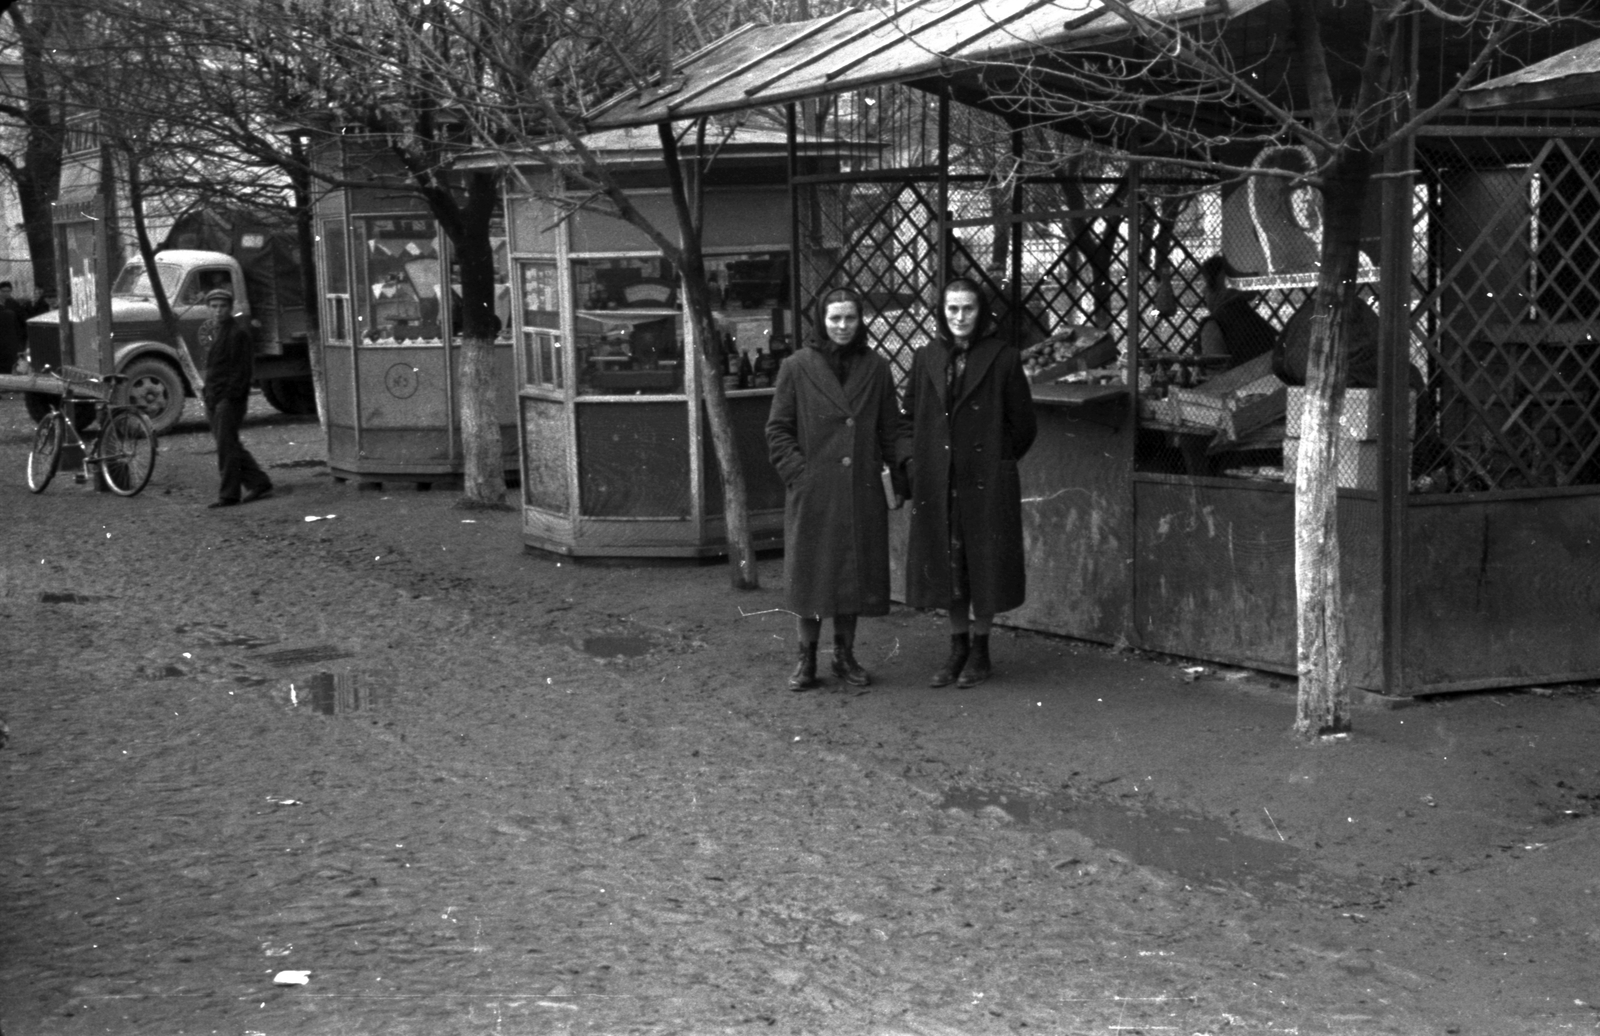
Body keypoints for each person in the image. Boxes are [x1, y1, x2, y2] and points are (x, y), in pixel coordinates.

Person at [766, 287, 909, 692]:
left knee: (852, 575)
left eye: (850, 318)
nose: (843, 327)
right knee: (812, 574)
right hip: (815, 491)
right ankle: (806, 658)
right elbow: (778, 429)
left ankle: (845, 656)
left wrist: (895, 477)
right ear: (821, 322)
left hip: (860, 489)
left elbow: (890, 427)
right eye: (834, 319)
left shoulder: (877, 367)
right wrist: (800, 474)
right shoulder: (797, 366)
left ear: (860, 321)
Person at [902, 277, 1037, 688]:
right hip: (939, 481)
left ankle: (981, 647)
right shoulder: (926, 358)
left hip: (984, 482)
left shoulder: (1004, 359)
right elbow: (909, 418)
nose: (960, 318)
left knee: (985, 565)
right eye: (952, 309)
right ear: (942, 313)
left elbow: (1024, 426)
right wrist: (914, 462)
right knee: (951, 566)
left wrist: (995, 460)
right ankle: (957, 645)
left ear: (982, 313)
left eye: (968, 309)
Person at [201, 288, 272, 508]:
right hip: (215, 396)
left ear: (230, 309)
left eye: (222, 307)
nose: (218, 311)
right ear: (208, 309)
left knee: (226, 447)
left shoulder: (237, 333)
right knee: (228, 443)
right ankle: (259, 482)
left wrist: (227, 398)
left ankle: (229, 494)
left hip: (229, 399)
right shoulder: (213, 331)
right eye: (214, 307)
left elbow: (241, 372)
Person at [1197, 254, 1277, 369]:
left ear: (1220, 283)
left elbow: (1213, 374)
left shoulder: (1214, 326)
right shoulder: (1259, 324)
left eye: (1205, 284)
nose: (1202, 291)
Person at [0, 281, 29, 373]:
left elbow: (21, 320)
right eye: (3, 291)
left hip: (11, 336)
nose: (6, 293)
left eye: (8, 291)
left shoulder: (14, 304)